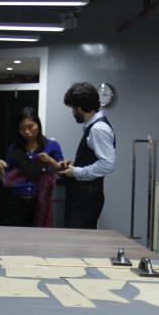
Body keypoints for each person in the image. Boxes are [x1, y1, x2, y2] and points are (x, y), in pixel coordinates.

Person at [53, 82, 116, 229]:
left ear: (80, 107)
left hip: (85, 199)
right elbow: (94, 159)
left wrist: (76, 172)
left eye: (73, 108)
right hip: (83, 198)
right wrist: (76, 165)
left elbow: (107, 164)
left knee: (77, 240)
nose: (72, 112)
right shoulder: (93, 127)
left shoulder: (98, 129)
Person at [0, 107, 63, 227]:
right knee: (18, 236)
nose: (27, 132)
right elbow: (3, 179)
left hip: (42, 201)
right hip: (18, 202)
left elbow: (61, 171)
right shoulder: (14, 149)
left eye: (30, 127)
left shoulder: (52, 146)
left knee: (41, 236)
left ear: (38, 124)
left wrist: (49, 160)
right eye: (22, 128)